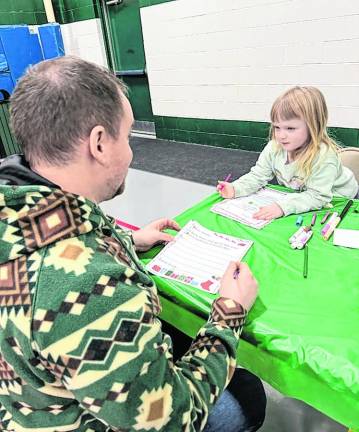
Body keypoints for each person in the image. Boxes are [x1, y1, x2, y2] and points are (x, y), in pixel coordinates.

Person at [0, 56, 265, 431]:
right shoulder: (86, 286)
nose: (130, 152)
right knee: (247, 396)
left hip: (25, 403)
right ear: (100, 143)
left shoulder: (18, 203)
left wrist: (125, 240)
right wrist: (229, 312)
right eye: (126, 137)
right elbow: (172, 420)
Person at [217, 86, 359, 219]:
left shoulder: (324, 156)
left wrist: (283, 207)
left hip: (340, 199)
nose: (281, 135)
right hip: (304, 195)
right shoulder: (274, 147)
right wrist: (236, 188)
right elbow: (257, 176)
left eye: (290, 128)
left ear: (313, 126)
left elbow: (318, 196)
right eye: (277, 127)